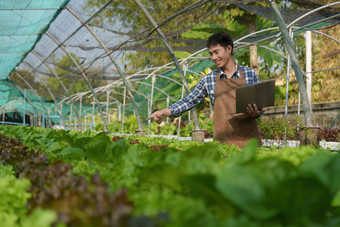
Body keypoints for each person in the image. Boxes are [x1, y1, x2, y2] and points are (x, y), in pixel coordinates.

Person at [146, 31, 266, 147]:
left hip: (250, 143)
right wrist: (163, 112)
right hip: (223, 144)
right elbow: (189, 101)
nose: (213, 57)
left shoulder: (250, 74)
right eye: (211, 54)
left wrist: (257, 112)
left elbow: (260, 108)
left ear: (229, 49)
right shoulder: (209, 79)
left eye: (216, 52)